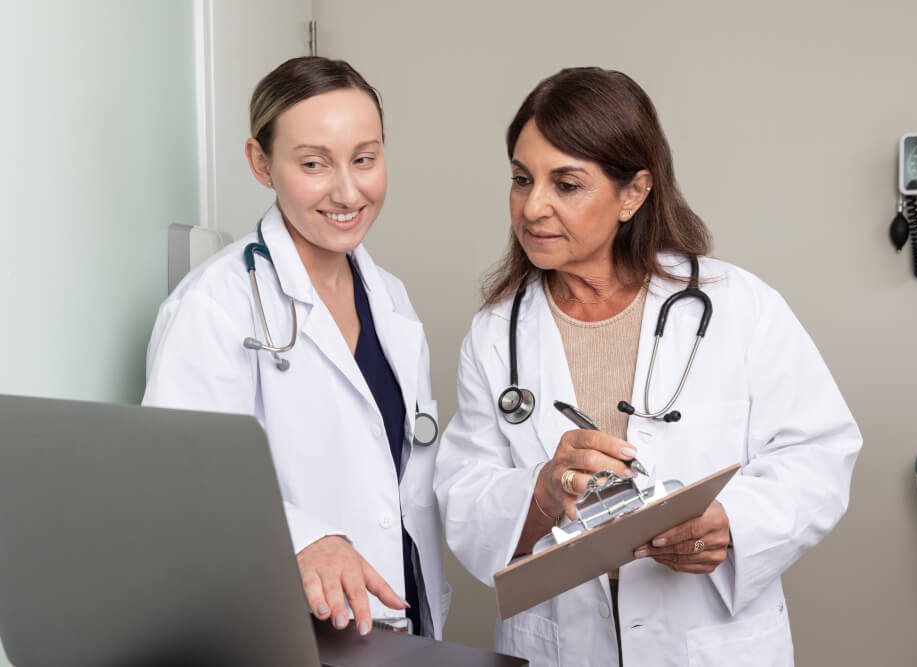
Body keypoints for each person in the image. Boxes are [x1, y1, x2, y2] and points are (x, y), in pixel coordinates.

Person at [434, 67, 861, 666]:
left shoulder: (738, 305)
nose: (533, 206)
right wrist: (545, 489)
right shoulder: (495, 335)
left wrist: (732, 523)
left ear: (633, 192)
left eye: (567, 184)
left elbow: (820, 451)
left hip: (708, 642)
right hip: (561, 646)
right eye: (522, 178)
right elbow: (465, 492)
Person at [143, 57, 449, 639]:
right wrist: (304, 536)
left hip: (394, 619)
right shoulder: (216, 305)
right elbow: (178, 485)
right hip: (281, 627)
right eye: (314, 163)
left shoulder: (390, 301)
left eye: (365, 158)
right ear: (261, 163)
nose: (347, 190)